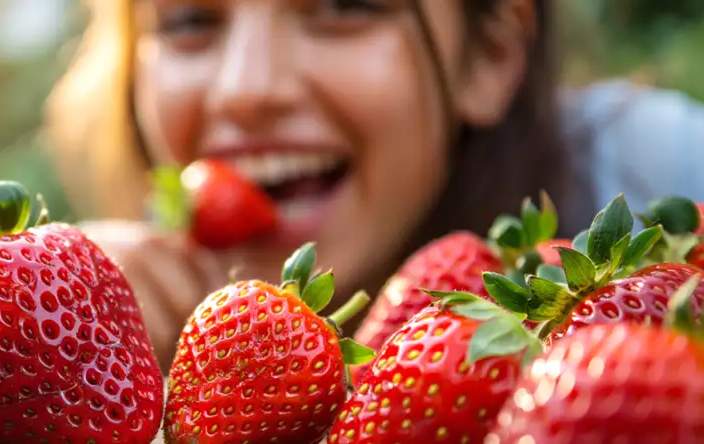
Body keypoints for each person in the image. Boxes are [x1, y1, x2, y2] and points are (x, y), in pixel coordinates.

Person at [44, 0, 704, 367]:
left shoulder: (657, 175)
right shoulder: (107, 332)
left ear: (491, 54)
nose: (243, 89)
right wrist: (66, 322)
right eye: (190, 21)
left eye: (342, 7)